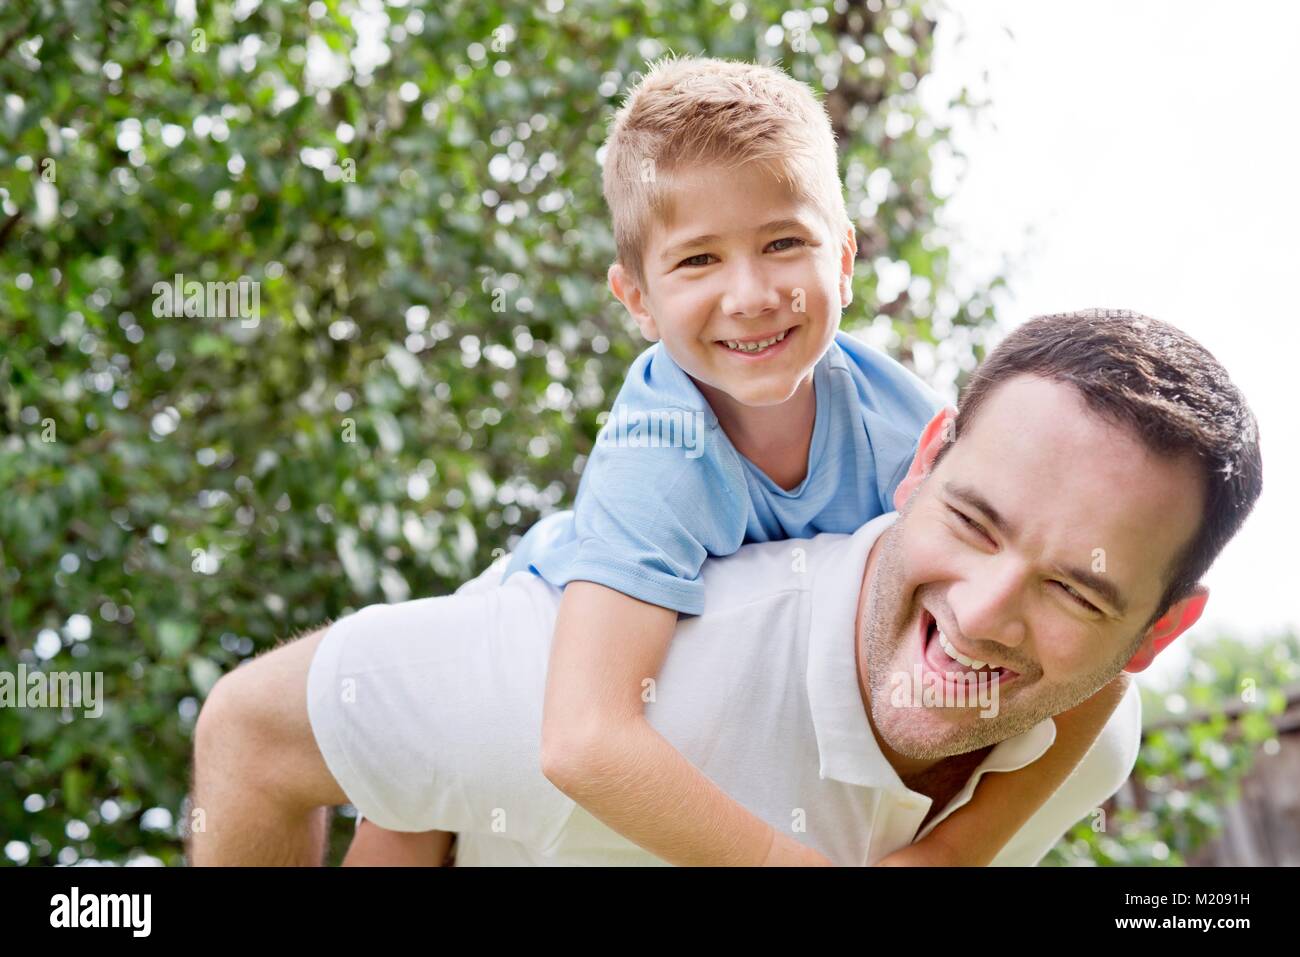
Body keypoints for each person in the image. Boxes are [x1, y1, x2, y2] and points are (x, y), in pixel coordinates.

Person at [188, 309, 1262, 866]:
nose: (981, 613)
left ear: (1153, 638)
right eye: (972, 522)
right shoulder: (625, 679)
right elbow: (250, 733)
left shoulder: (1084, 739)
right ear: (922, 460)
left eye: (1077, 593)